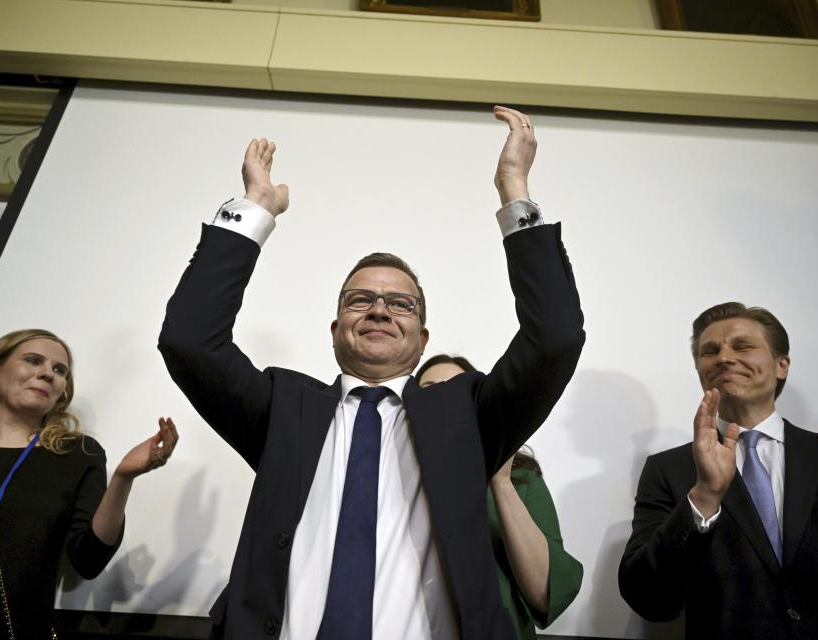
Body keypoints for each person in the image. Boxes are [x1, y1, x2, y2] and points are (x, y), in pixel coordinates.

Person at [158, 106, 585, 640]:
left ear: (423, 338)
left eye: (401, 304)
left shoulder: (466, 418)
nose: (380, 309)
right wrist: (254, 211)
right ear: (336, 329)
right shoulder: (283, 409)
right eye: (361, 300)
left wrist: (514, 190)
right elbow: (188, 339)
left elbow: (556, 337)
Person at [618, 302, 818, 639]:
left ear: (782, 365)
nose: (724, 358)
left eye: (743, 345)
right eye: (710, 351)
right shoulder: (668, 469)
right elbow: (650, 599)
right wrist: (704, 499)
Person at [0, 328, 178, 639]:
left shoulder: (77, 454)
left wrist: (122, 478)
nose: (48, 373)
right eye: (34, 361)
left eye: (59, 370)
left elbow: (88, 561)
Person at [416, 354, 582, 640]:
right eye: (429, 390)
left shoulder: (521, 478)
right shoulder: (394, 465)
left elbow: (545, 593)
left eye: (455, 391)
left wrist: (500, 479)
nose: (442, 401)